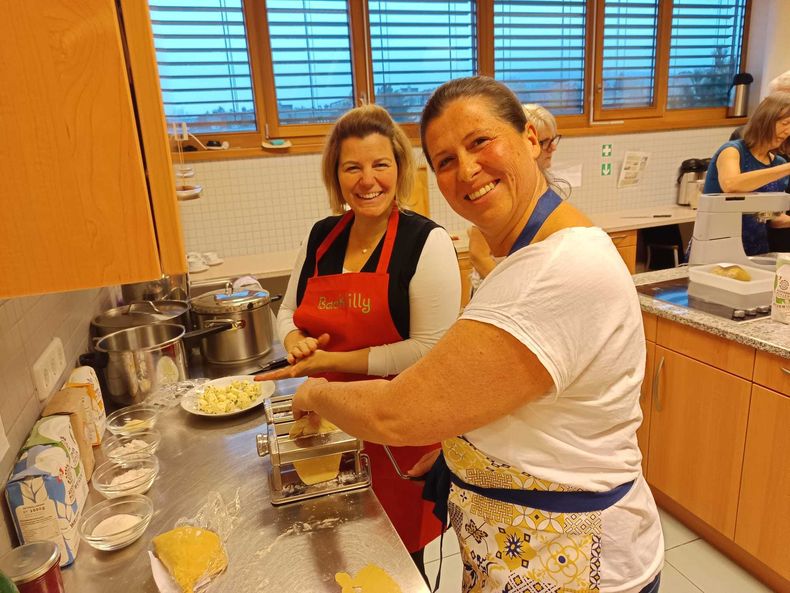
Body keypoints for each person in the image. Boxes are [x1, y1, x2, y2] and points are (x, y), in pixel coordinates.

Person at [286, 77, 664, 593]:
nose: (465, 170)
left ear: (530, 138)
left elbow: (396, 411)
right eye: (444, 160)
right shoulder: (531, 258)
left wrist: (312, 391)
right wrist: (461, 445)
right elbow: (524, 395)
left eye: (480, 142)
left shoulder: (559, 269)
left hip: (577, 561)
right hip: (524, 550)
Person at [258, 104, 461, 577]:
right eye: (353, 167)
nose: (367, 180)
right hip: (325, 426)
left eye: (380, 165)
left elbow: (430, 348)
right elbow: (286, 309)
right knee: (332, 558)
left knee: (396, 565)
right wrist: (293, 338)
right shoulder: (322, 236)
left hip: (396, 433)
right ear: (337, 175)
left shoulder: (424, 242)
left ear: (399, 169)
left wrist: (333, 360)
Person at [467, 103, 563, 289]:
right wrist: (511, 291)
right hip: (498, 291)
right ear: (526, 143)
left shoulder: (542, 187)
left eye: (554, 139)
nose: (553, 148)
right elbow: (478, 256)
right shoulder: (502, 191)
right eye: (545, 142)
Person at [705, 92, 790, 254]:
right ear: (765, 121)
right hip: (716, 248)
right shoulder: (732, 151)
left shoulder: (778, 163)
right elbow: (731, 185)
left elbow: (774, 219)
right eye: (785, 123)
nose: (788, 131)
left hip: (757, 251)